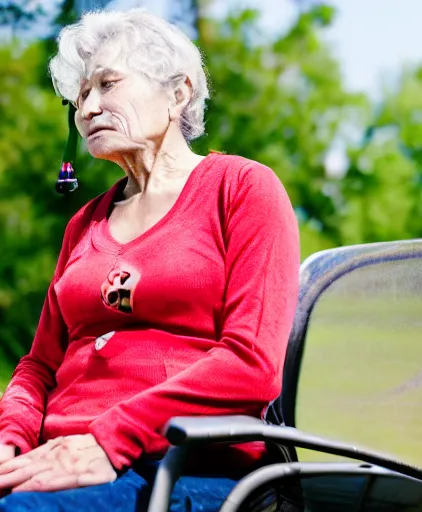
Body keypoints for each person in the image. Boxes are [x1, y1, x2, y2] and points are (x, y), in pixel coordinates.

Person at [0, 8, 300, 511]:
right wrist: (11, 437)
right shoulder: (84, 224)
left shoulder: (242, 189)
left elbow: (251, 364)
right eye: (80, 96)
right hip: (59, 458)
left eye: (107, 85)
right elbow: (38, 366)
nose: (89, 108)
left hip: (185, 464)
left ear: (178, 92)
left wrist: (109, 439)